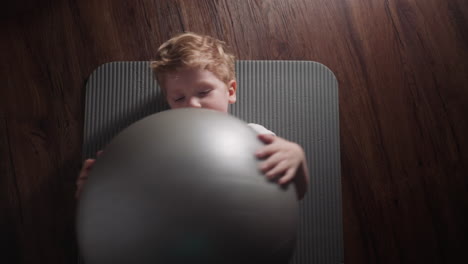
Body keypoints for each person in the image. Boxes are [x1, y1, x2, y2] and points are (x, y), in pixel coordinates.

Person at [76, 32, 309, 200]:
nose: (193, 104)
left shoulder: (255, 137)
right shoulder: (155, 150)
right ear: (168, 102)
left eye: (204, 92)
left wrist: (296, 159)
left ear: (230, 91)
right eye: (179, 98)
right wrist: (95, 193)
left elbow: (295, 194)